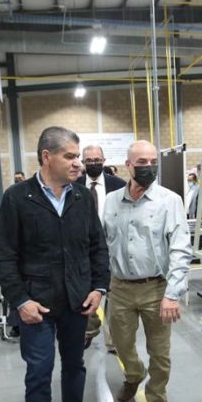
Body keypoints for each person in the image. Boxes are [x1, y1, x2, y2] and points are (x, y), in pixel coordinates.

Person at [0, 126, 110, 402]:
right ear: (47, 157)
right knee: (38, 376)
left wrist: (99, 287)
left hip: (77, 301)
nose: (78, 163)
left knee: (75, 365)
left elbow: (97, 246)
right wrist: (20, 301)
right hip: (37, 306)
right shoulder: (17, 198)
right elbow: (5, 257)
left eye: (78, 157)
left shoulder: (81, 196)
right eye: (70, 156)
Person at [103, 140, 192, 402]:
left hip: (157, 289)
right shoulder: (111, 201)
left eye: (153, 161)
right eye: (141, 162)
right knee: (121, 344)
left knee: (160, 352)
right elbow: (101, 244)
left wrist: (172, 294)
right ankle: (134, 374)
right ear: (128, 165)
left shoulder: (169, 201)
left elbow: (180, 249)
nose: (148, 167)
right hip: (120, 287)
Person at [76, 145, 126, 353]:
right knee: (85, 291)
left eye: (97, 159)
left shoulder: (119, 185)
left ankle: (113, 340)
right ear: (83, 162)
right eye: (89, 160)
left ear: (104, 161)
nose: (94, 163)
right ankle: (90, 327)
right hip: (83, 249)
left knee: (114, 295)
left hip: (113, 247)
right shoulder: (73, 185)